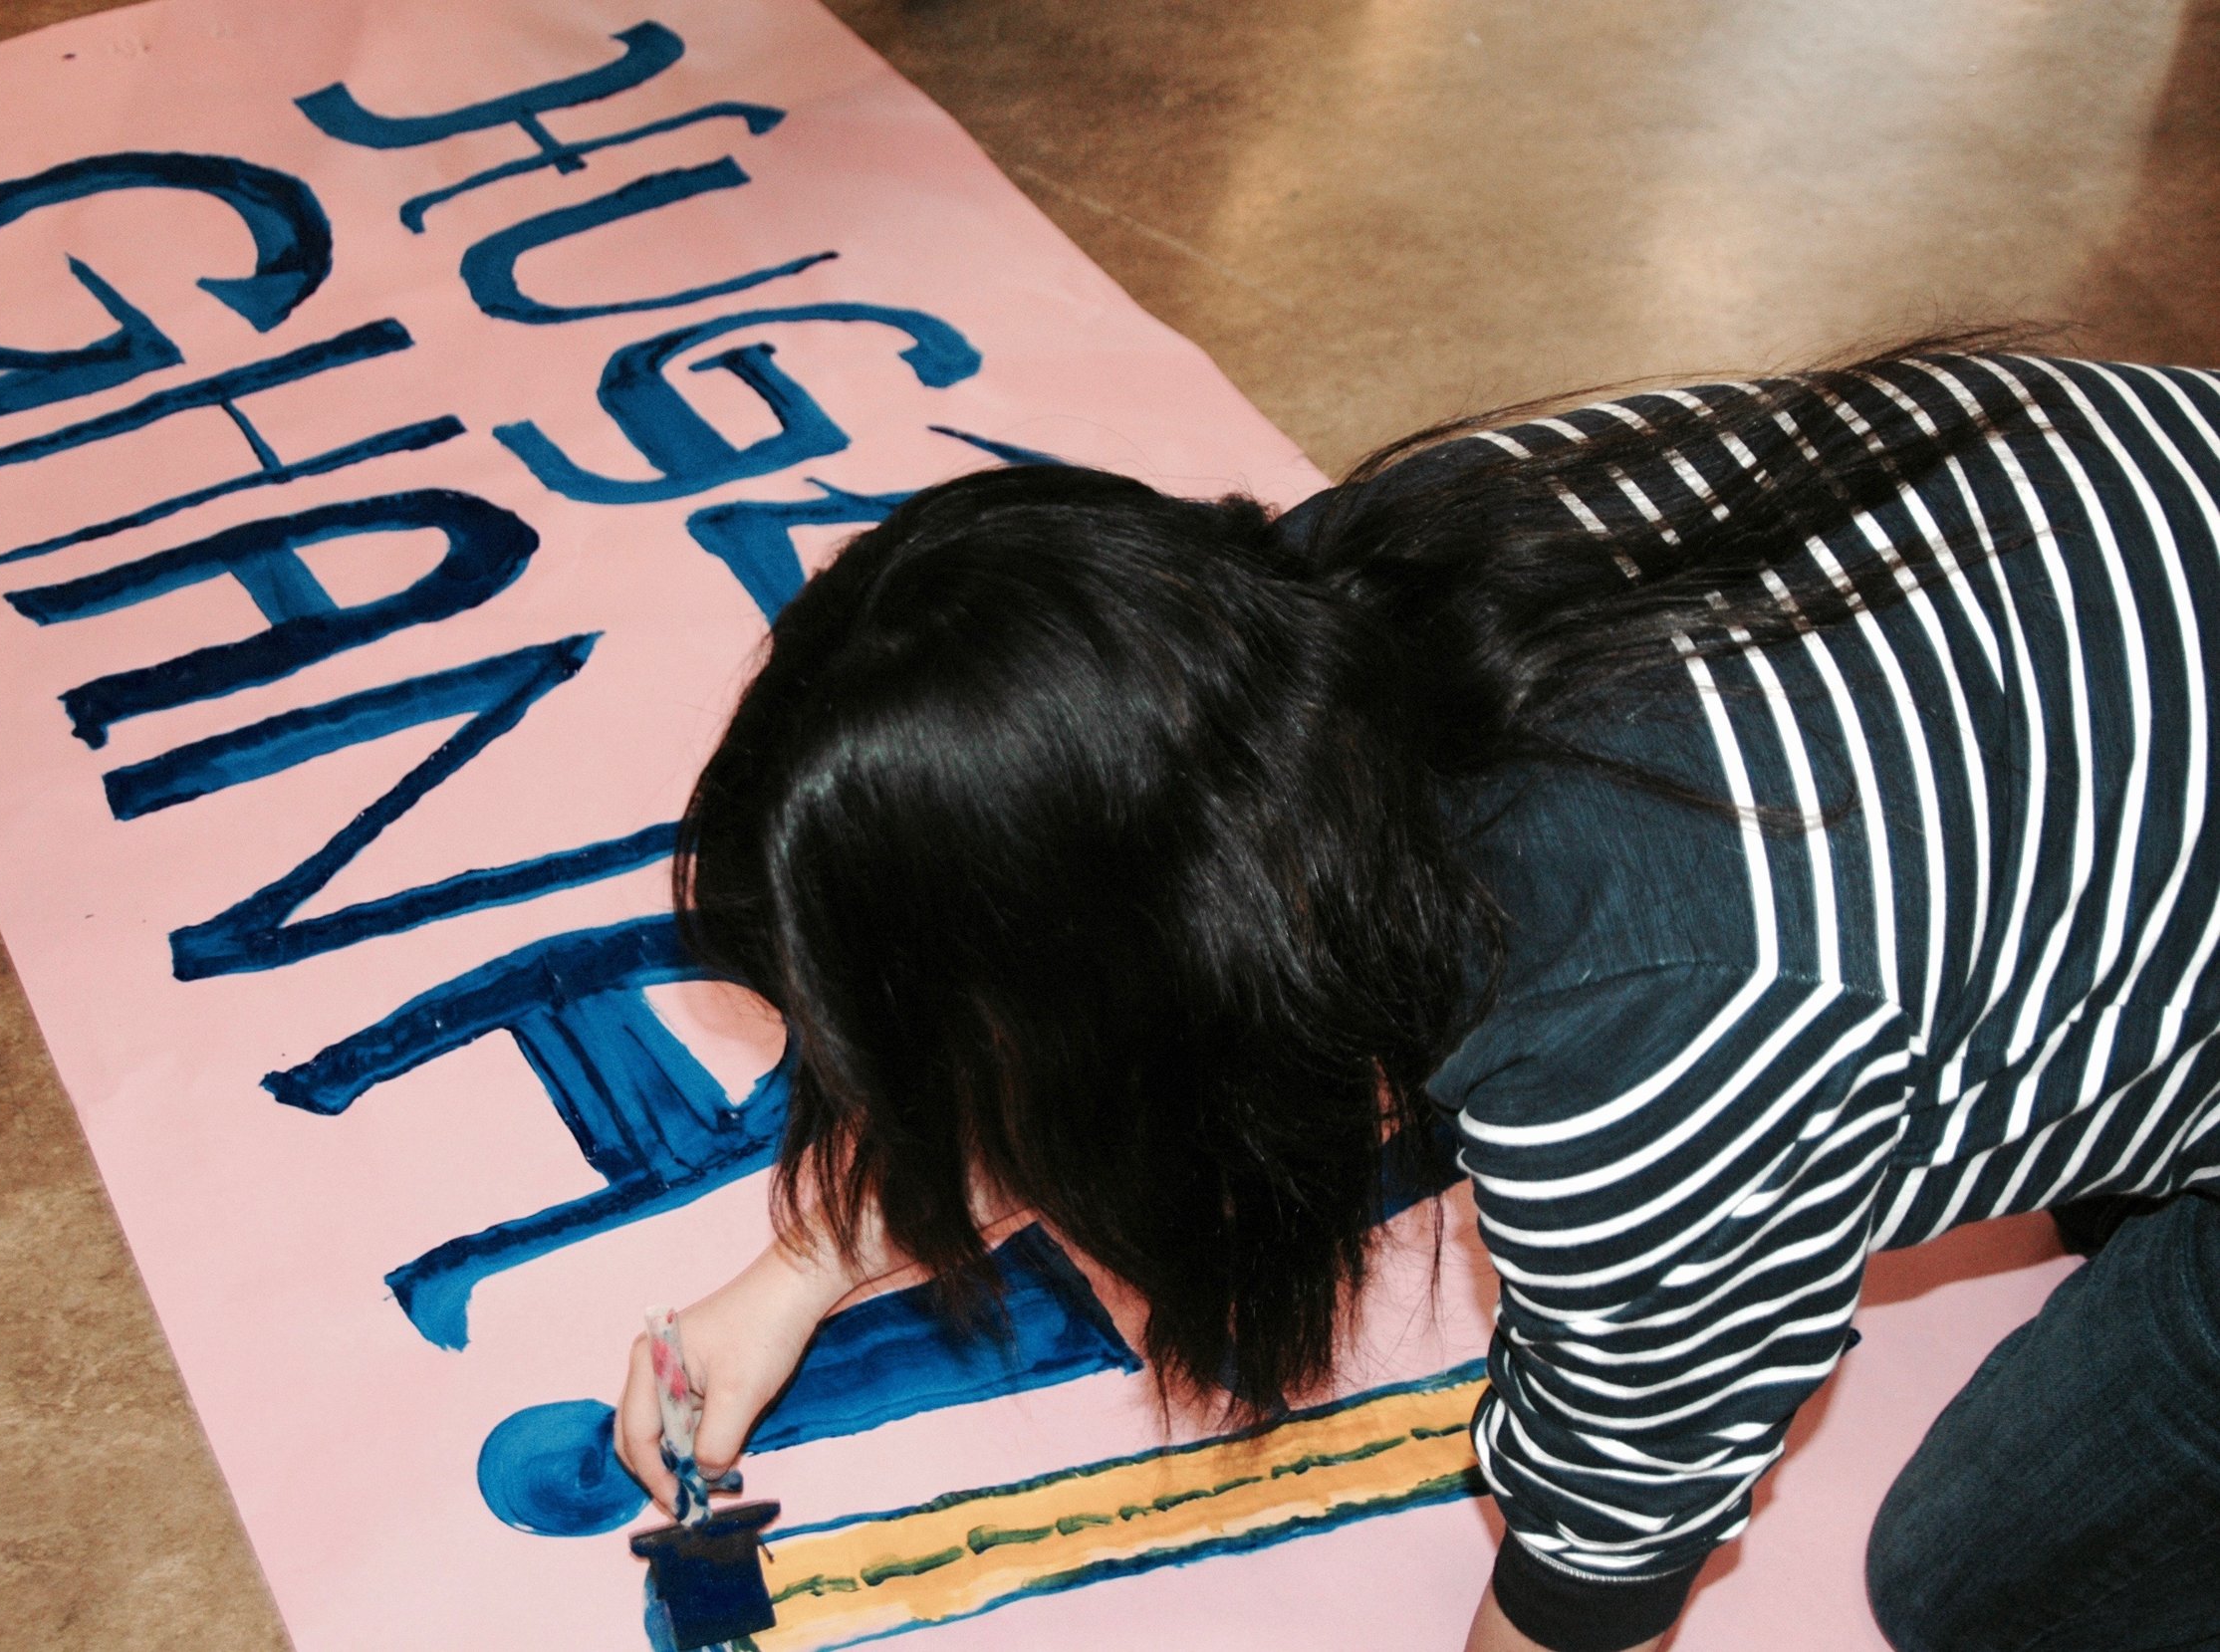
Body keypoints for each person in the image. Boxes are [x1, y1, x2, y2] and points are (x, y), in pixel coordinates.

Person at [613, 344, 2220, 1652]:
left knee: (1979, 1588)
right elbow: (1107, 939)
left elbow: (1612, 1542)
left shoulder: (1636, 1025)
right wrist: (799, 1272)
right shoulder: (1322, 596)